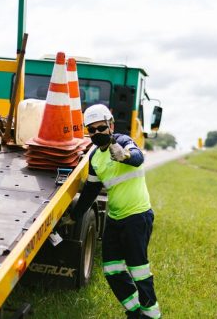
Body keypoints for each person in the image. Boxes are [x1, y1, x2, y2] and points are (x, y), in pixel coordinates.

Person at [68, 104, 161, 318]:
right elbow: (90, 191)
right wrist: (75, 216)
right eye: (91, 130)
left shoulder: (123, 142)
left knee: (139, 270)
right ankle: (134, 311)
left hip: (137, 217)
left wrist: (125, 156)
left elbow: (138, 157)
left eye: (101, 128)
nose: (97, 133)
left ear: (110, 125)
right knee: (112, 270)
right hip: (115, 219)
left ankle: (152, 315)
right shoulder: (94, 157)